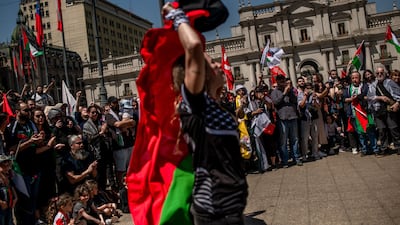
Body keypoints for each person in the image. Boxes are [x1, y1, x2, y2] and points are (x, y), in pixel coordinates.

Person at [163, 3, 248, 224]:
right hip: (213, 211)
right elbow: (192, 47)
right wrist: (177, 15)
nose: (219, 65)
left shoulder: (215, 105)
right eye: (211, 63)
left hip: (230, 208)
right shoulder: (196, 106)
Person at [271, 74, 302, 167]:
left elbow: (294, 100)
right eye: (280, 82)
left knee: (295, 139)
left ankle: (296, 158)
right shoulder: (274, 92)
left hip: (292, 116)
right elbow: (276, 102)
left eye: (283, 81)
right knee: (283, 141)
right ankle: (285, 160)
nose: (282, 83)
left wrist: (289, 92)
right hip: (282, 118)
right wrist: (284, 93)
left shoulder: (290, 90)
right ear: (277, 82)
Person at [0, 155, 17, 225]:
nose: (7, 168)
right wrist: (0, 202)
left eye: (8, 166)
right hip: (1, 207)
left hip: (9, 205)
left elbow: (11, 187)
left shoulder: (7, 176)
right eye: (4, 166)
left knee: (9, 221)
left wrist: (16, 197)